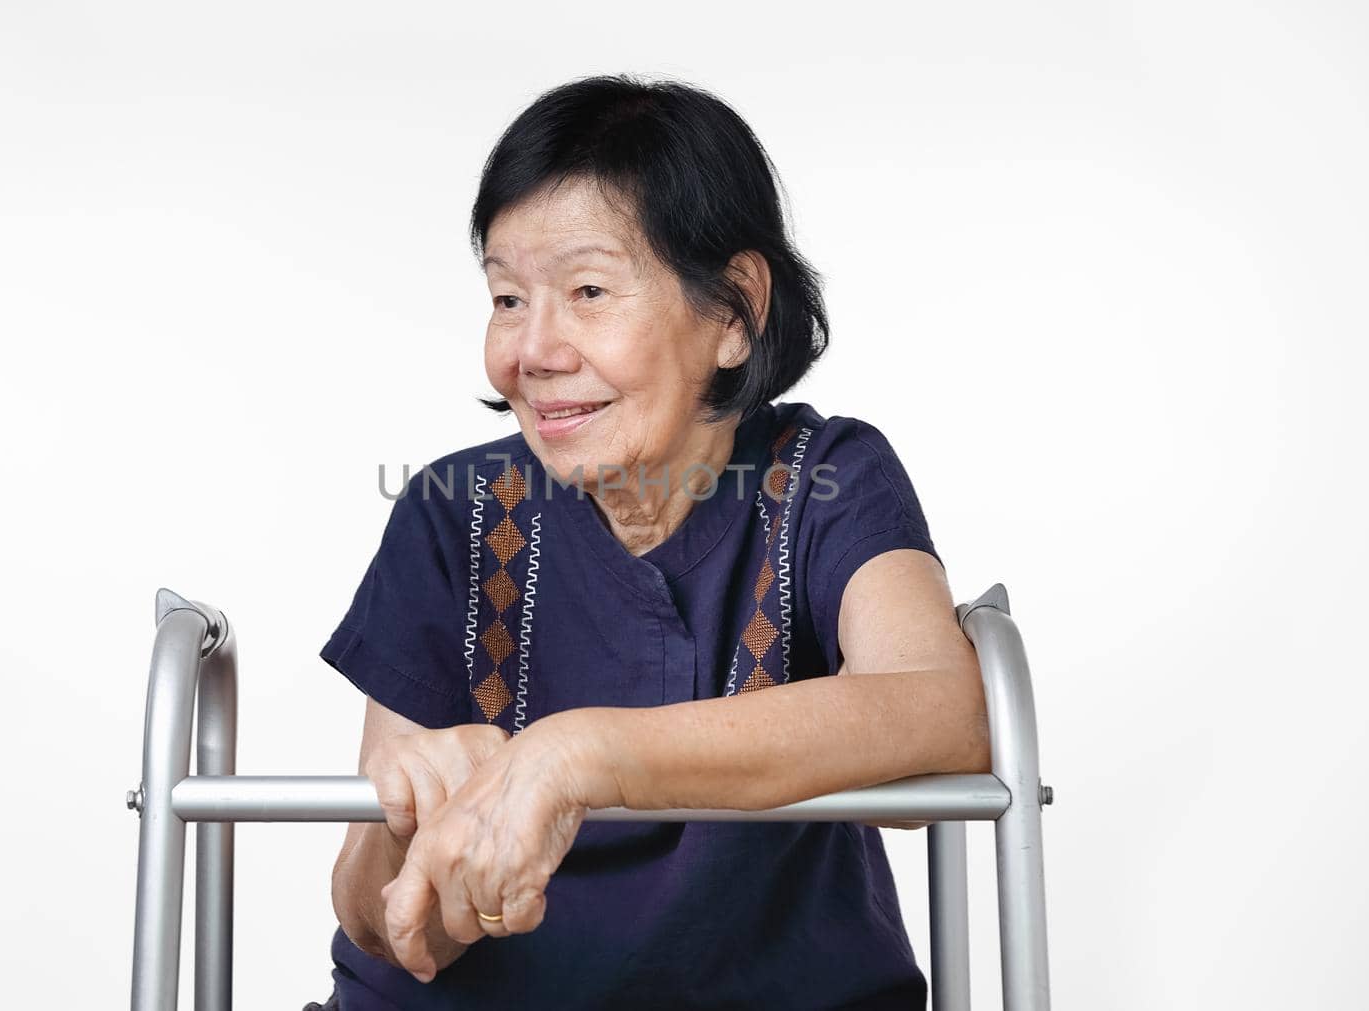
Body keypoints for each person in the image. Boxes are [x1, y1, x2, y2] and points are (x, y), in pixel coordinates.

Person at [305, 74, 990, 1010]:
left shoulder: (826, 477)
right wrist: (400, 834)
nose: (531, 350)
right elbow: (382, 925)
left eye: (588, 290)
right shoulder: (453, 509)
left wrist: (578, 754)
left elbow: (940, 712)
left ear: (735, 311)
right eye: (507, 298)